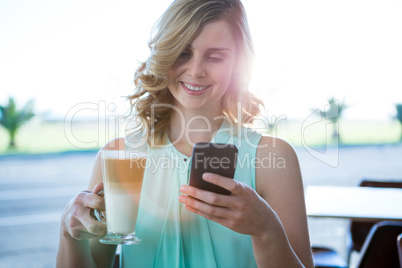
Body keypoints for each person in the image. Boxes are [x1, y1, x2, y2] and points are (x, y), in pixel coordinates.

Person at [57, 0, 315, 267]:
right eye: (182, 52)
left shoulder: (271, 158)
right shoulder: (117, 157)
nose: (195, 71)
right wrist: (69, 233)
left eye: (215, 57)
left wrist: (266, 229)